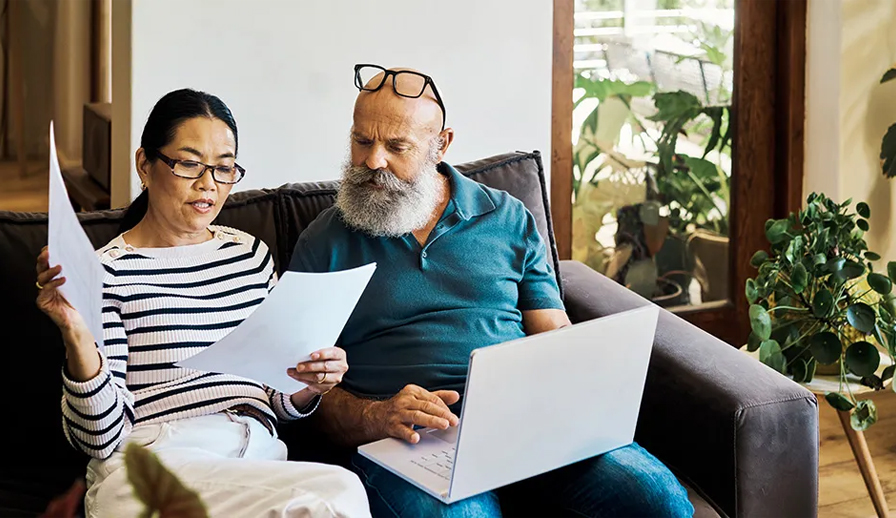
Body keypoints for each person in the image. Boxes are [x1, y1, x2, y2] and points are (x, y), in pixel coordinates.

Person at [289, 65, 694, 517]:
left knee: (659, 500)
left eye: (396, 146)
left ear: (440, 145)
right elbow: (307, 394)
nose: (373, 161)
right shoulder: (324, 240)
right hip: (405, 441)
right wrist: (376, 416)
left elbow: (554, 336)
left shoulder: (507, 217)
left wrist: (578, 404)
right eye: (362, 140)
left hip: (525, 425)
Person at [36, 88, 370, 518]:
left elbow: (278, 399)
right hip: (157, 460)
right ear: (145, 164)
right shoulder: (106, 271)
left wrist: (311, 381)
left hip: (256, 458)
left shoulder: (250, 256)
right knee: (337, 492)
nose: (208, 183)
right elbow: (99, 437)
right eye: (189, 163)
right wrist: (77, 337)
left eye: (224, 168)